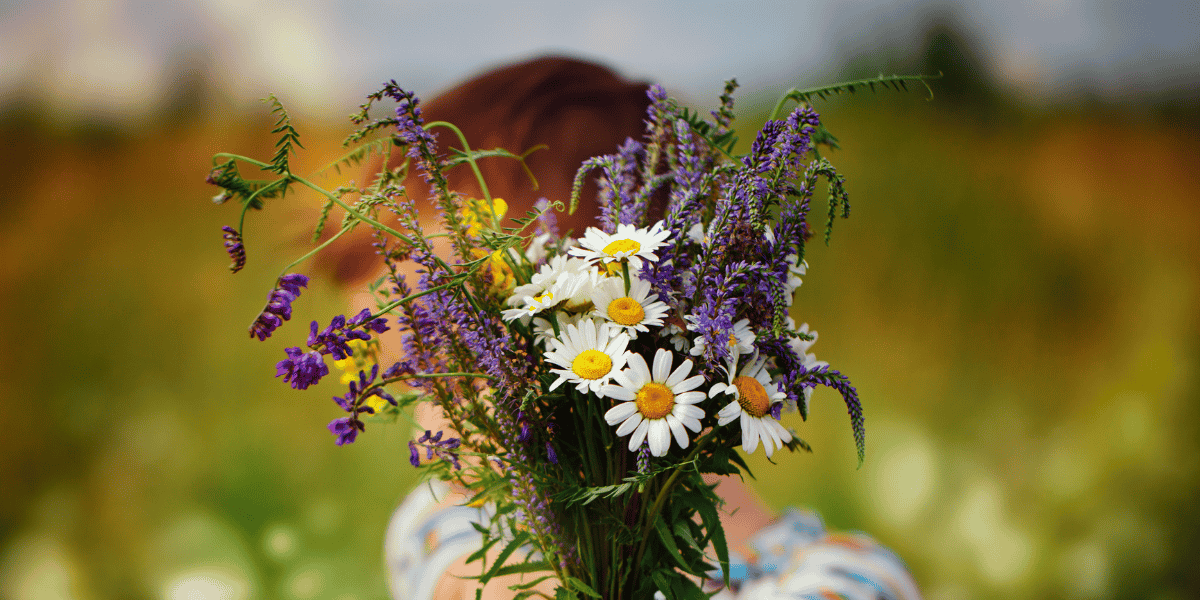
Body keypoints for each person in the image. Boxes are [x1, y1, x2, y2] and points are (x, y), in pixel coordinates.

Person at [339, 55, 923, 600]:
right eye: (424, 389)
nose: (431, 431)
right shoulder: (448, 535)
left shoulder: (845, 577)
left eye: (463, 376)